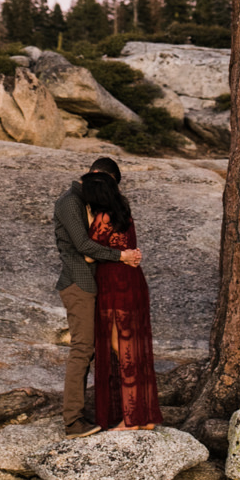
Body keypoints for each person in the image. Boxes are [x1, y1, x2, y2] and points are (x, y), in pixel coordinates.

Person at [53, 156, 140, 438]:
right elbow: (81, 245)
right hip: (78, 285)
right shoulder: (70, 201)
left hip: (92, 284)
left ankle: (100, 412)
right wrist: (121, 255)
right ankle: (72, 422)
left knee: (97, 349)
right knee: (82, 350)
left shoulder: (88, 199)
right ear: (96, 175)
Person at [82, 166, 161, 430]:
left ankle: (131, 419)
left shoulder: (103, 218)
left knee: (122, 349)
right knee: (134, 349)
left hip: (114, 284)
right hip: (132, 281)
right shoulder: (125, 215)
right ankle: (145, 415)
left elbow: (89, 254)